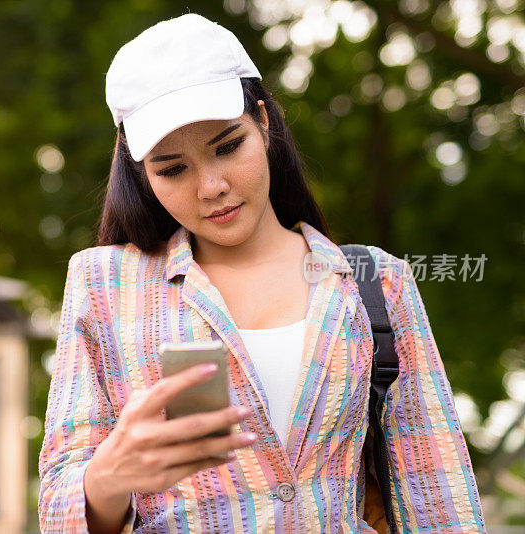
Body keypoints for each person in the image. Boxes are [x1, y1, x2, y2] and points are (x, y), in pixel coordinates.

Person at [38, 13, 486, 534]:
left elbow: (439, 493)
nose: (211, 186)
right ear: (142, 174)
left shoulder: (373, 280)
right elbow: (58, 509)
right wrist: (107, 478)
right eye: (172, 168)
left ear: (264, 121)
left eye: (228, 146)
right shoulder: (104, 285)